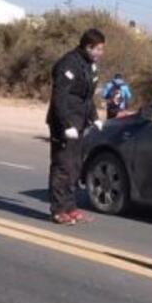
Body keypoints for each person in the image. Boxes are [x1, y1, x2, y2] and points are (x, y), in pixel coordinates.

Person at [46, 29, 105, 225]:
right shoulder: (68, 63)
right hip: (64, 123)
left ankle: (70, 207)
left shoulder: (89, 66)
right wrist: (66, 124)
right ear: (87, 47)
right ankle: (58, 209)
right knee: (63, 166)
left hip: (79, 122)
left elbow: (86, 97)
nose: (100, 53)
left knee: (75, 166)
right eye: (97, 49)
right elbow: (60, 98)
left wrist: (94, 117)